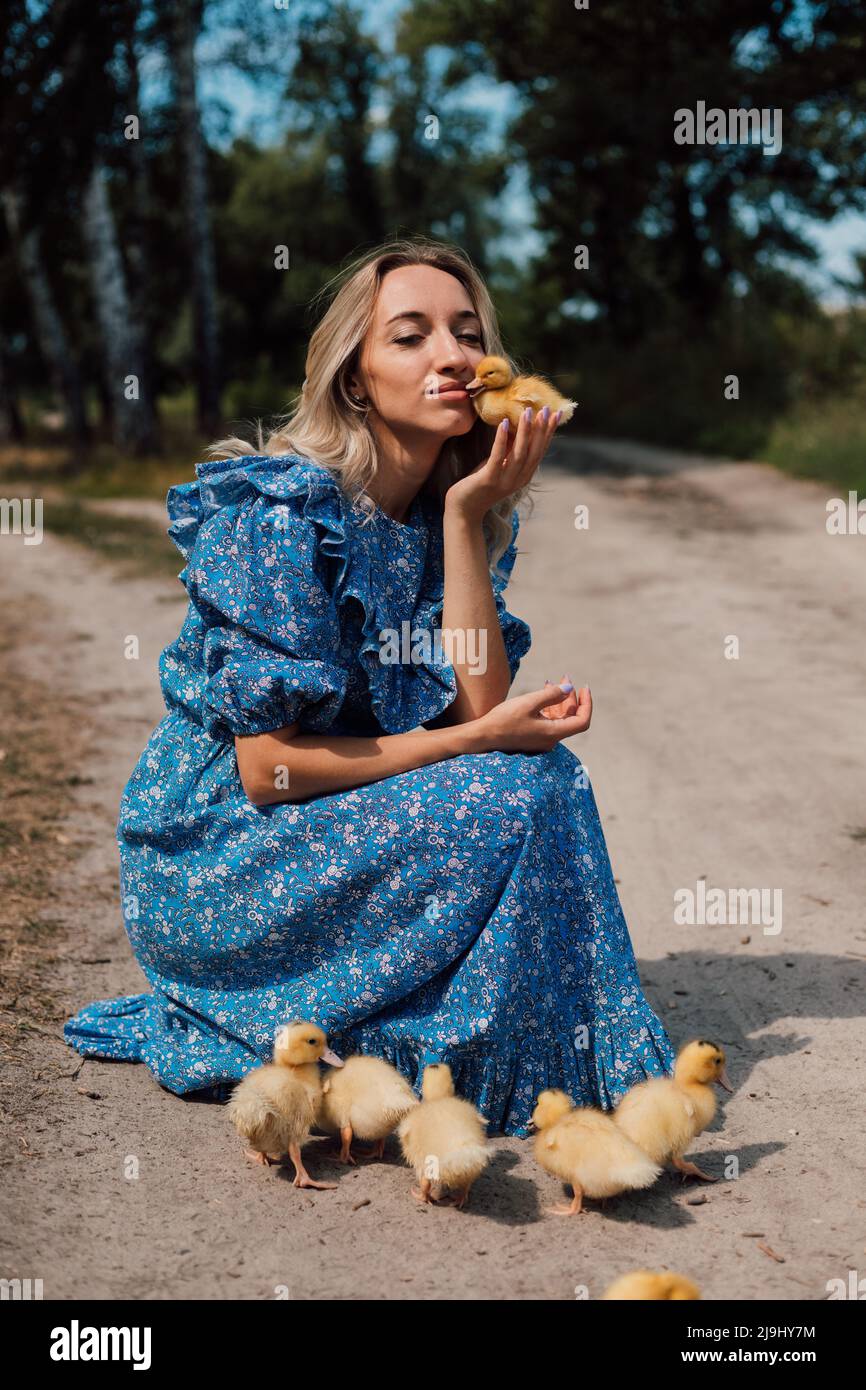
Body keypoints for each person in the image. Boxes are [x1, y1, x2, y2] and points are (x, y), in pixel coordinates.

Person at [64, 237, 675, 1136]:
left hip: (333, 819)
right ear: (355, 379)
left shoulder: (444, 513)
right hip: (223, 857)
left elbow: (480, 704)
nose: (453, 356)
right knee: (512, 790)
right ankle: (495, 1061)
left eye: (468, 334)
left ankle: (518, 1058)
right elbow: (267, 770)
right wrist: (470, 742)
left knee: (542, 781)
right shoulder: (279, 517)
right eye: (411, 335)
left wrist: (467, 517)